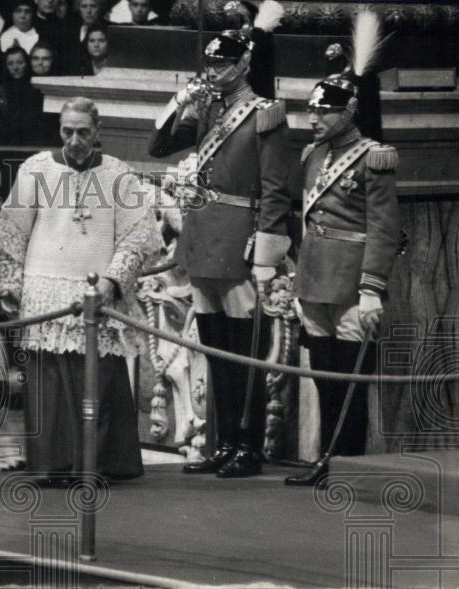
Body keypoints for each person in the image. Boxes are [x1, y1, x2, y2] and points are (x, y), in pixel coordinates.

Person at [0, 97, 160, 485]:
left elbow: (138, 239)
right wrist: (11, 284)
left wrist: (112, 282)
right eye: (68, 131)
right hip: (43, 292)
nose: (75, 140)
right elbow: (11, 234)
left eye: (83, 132)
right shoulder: (36, 169)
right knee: (48, 386)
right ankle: (53, 466)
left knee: (97, 383)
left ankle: (96, 465)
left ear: (97, 131)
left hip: (96, 295)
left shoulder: (119, 175)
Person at [148, 29, 291, 478]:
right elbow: (160, 146)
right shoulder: (207, 106)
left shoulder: (265, 115)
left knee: (243, 350)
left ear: (244, 64)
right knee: (214, 347)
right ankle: (224, 440)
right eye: (211, 64)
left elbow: (275, 191)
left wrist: (265, 253)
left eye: (224, 64)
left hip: (238, 239)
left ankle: (247, 444)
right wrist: (183, 98)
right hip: (202, 234)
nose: (216, 71)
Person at [285, 18, 400, 487]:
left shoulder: (373, 157)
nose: (314, 119)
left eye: (323, 113)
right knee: (324, 378)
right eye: (312, 112)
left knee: (350, 381)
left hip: (352, 283)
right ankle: (326, 459)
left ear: (349, 111)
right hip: (315, 279)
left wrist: (372, 289)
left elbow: (384, 230)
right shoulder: (312, 155)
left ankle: (346, 463)